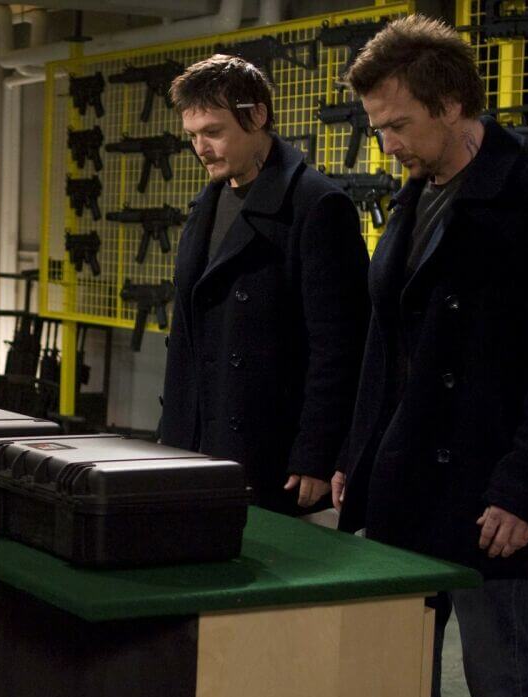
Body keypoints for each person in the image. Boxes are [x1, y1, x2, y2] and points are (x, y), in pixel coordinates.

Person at [330, 15, 528, 697]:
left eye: (398, 125)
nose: (387, 145)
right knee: (395, 679)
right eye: (377, 129)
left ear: (452, 104)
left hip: (491, 495)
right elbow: (384, 345)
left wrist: (522, 489)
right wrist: (356, 454)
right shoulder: (412, 196)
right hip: (406, 480)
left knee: (503, 686)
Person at [158, 55, 370, 516]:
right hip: (195, 438)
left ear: (256, 117)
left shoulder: (316, 206)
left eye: (213, 132)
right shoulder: (206, 203)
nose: (201, 148)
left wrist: (317, 451)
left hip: (268, 445)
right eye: (192, 135)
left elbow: (339, 346)